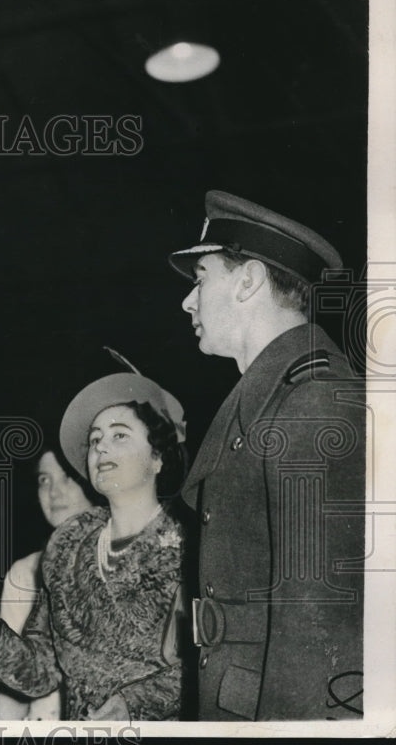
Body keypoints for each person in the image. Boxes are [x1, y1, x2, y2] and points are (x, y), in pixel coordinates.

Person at [168, 190, 364, 721]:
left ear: (249, 280)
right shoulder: (271, 400)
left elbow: (321, 630)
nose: (188, 301)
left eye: (201, 277)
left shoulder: (312, 404)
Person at [0, 373, 188, 722]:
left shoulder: (189, 544)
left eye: (119, 436)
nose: (101, 447)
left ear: (157, 457)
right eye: (95, 439)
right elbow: (41, 671)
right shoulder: (69, 546)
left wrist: (134, 702)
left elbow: (210, 663)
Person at [0, 446, 95, 721]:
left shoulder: (128, 562)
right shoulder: (24, 573)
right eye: (44, 479)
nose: (53, 492)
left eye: (67, 477)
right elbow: (11, 680)